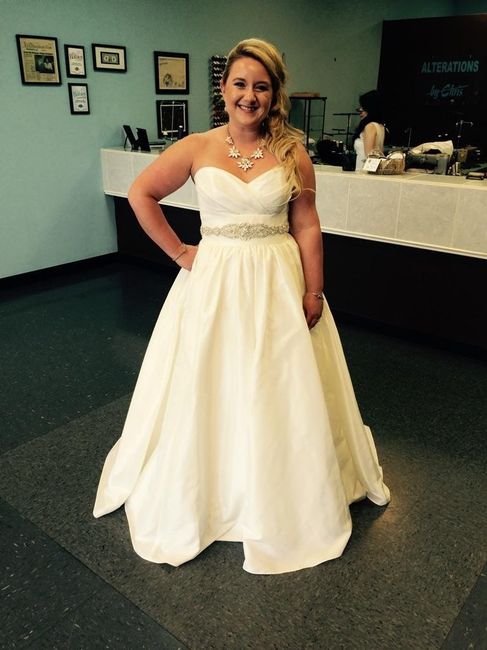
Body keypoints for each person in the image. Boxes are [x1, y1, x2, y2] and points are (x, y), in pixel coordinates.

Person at [93, 38, 390, 575]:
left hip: (279, 282)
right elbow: (141, 194)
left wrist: (314, 290)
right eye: (240, 84)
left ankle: (288, 485)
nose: (249, 96)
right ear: (223, 89)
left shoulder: (292, 152)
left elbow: (307, 224)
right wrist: (180, 252)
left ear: (274, 94)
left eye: (261, 86)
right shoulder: (197, 146)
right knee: (215, 378)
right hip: (215, 283)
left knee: (281, 380)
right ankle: (218, 483)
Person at [353, 90, 386, 170]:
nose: (360, 110)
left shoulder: (370, 127)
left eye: (363, 107)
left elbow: (369, 156)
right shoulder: (380, 126)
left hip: (363, 170)